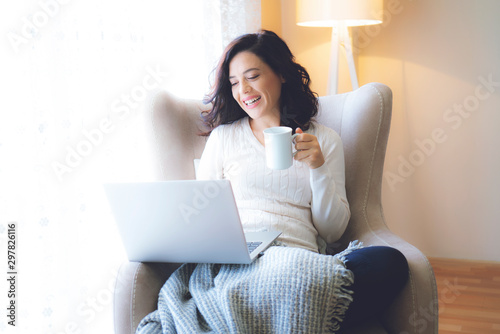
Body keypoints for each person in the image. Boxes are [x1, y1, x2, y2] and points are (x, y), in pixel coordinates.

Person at [197, 30, 409, 330]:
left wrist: (318, 167)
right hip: (242, 259)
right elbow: (200, 214)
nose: (243, 90)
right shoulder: (223, 139)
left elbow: (333, 232)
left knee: (389, 262)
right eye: (233, 83)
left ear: (281, 74)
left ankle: (284, 313)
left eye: (253, 76)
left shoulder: (324, 140)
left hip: (299, 262)